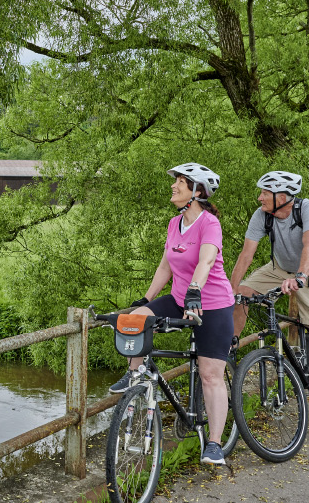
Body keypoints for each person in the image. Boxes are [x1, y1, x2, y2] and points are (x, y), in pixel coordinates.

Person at [109, 162, 235, 465]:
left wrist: (195, 292)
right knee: (135, 318)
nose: (173, 186)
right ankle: (132, 374)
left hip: (213, 303)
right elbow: (166, 265)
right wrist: (146, 299)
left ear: (196, 191)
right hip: (180, 299)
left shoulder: (209, 224)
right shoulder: (173, 222)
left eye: (180, 182)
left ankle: (215, 444)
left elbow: (206, 260)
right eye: (176, 181)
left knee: (210, 374)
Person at [229, 171, 309, 417]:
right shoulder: (262, 216)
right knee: (240, 295)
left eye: (264, 193)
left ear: (282, 196)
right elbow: (246, 255)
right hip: (279, 268)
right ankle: (230, 348)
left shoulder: (307, 208)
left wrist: (300, 277)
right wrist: (229, 287)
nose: (259, 198)